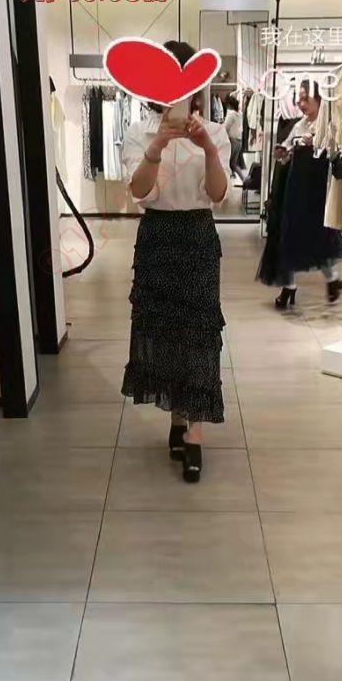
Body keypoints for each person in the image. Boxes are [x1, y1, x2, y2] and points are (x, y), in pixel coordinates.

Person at [121, 41, 232, 484]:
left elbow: (219, 195)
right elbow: (139, 191)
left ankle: (194, 434)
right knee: (165, 332)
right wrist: (156, 147)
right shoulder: (138, 132)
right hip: (157, 238)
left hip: (198, 237)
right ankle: (176, 417)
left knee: (199, 333)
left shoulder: (215, 132)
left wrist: (208, 149)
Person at [268, 80, 341, 308]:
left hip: (317, 190)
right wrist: (282, 153)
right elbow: (288, 152)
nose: (301, 104)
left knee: (317, 236)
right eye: (298, 99)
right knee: (289, 235)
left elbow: (335, 154)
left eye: (305, 99)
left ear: (318, 99)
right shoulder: (299, 125)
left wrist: (317, 144)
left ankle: (332, 278)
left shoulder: (328, 125)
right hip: (295, 188)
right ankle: (288, 286)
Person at [224, 95, 247, 182]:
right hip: (239, 141)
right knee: (233, 163)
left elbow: (225, 127)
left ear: (229, 105)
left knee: (226, 162)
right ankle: (244, 178)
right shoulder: (239, 114)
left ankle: (226, 181)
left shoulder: (231, 115)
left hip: (232, 141)